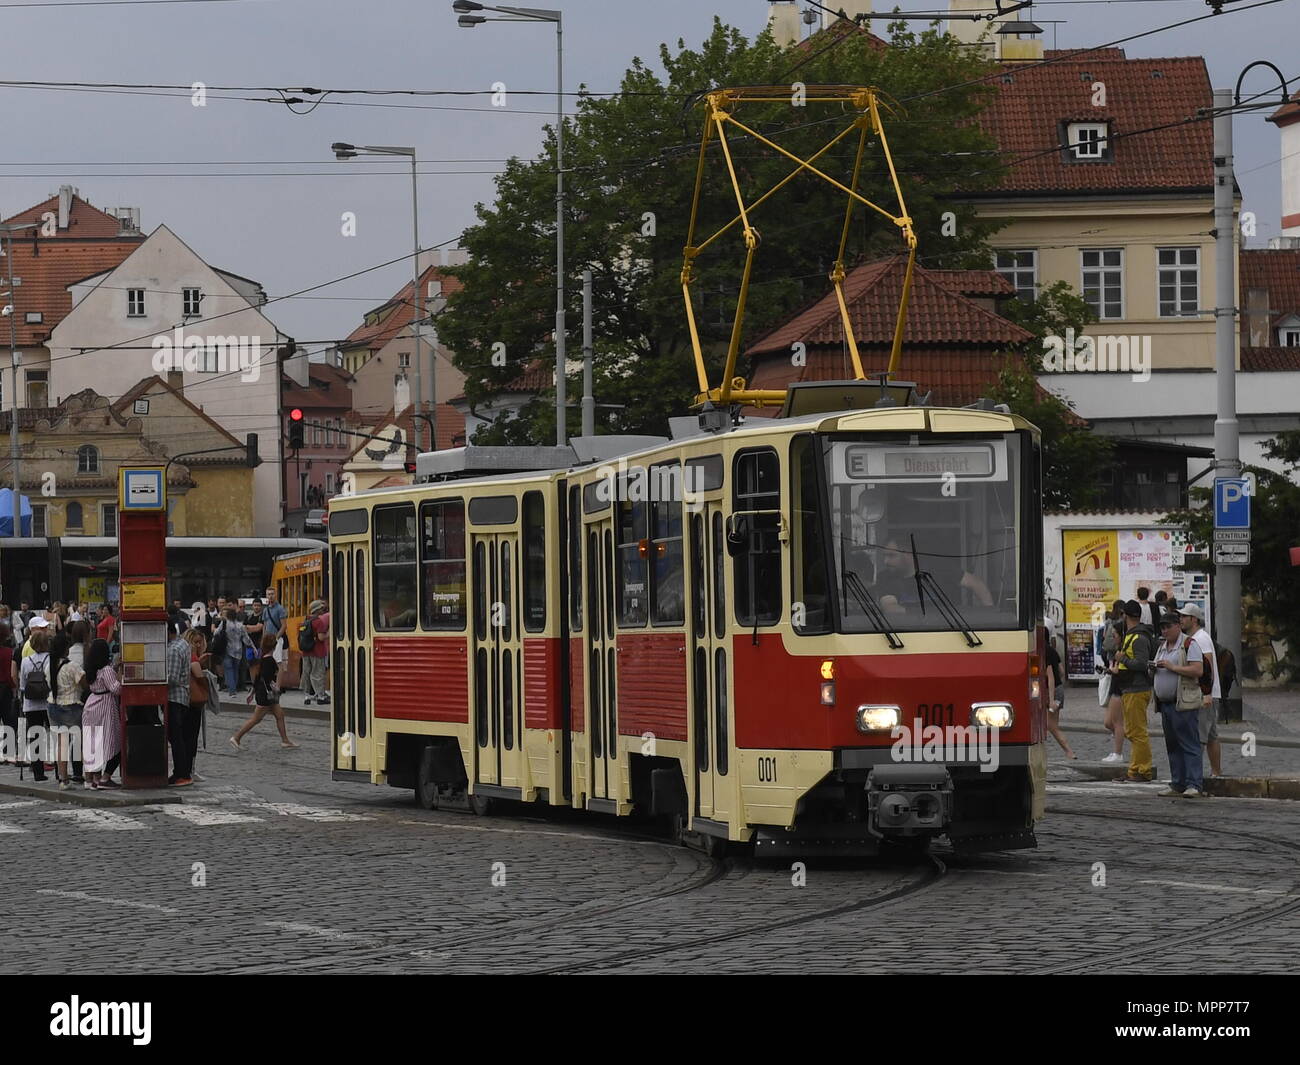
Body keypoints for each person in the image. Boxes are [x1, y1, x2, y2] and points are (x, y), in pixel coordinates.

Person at [1152, 612, 1206, 798]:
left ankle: (1194, 784)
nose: (1165, 630)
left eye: (1168, 627)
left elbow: (1198, 670)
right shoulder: (1163, 647)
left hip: (1183, 702)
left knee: (1189, 743)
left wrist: (1172, 667)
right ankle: (1178, 783)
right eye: (1162, 627)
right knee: (1173, 745)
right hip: (1166, 703)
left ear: (1177, 626)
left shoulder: (1189, 644)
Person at [873, 538, 993, 617]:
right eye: (885, 556)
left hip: (950, 632)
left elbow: (976, 584)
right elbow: (890, 609)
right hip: (907, 636)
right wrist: (931, 615)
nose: (885, 561)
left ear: (908, 553)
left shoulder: (938, 567)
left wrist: (990, 616)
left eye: (891, 556)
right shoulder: (885, 577)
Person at [1108, 599, 1156, 782]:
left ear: (1125, 615)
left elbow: (1141, 664)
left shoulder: (1138, 637)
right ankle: (1134, 769)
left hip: (1137, 689)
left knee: (1138, 732)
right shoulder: (1133, 635)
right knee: (1133, 731)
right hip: (1130, 688)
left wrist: (1122, 659)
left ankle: (1143, 770)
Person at [229, 633, 297, 749]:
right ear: (274, 647)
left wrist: (252, 692)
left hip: (264, 693)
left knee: (279, 715)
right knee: (256, 719)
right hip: (266, 695)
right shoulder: (270, 660)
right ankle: (236, 737)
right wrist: (275, 687)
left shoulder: (263, 658)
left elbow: (258, 677)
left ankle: (285, 741)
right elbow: (266, 678)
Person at [1178, 604, 1223, 780]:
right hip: (1210, 693)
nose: (1180, 619)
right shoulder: (1196, 637)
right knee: (1211, 736)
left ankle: (1193, 778)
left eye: (1184, 616)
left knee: (1200, 736)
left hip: (1206, 693)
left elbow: (1208, 666)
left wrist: (1207, 693)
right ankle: (1216, 773)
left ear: (1194, 619)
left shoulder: (1200, 638)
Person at [80, 639, 122, 789]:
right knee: (114, 742)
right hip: (105, 705)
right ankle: (106, 777)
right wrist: (122, 677)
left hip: (91, 704)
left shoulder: (90, 669)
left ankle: (94, 778)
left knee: (93, 743)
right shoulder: (106, 670)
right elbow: (116, 689)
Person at [49, 631, 86, 789]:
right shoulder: (72, 666)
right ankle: (89, 776)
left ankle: (63, 779)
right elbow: (84, 684)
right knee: (80, 743)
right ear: (66, 648)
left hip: (53, 704)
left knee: (62, 744)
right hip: (71, 706)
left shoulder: (49, 664)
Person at [17, 628, 53, 782]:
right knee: (52, 735)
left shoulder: (25, 661)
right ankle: (56, 766)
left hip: (31, 704)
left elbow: (23, 685)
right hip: (47, 702)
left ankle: (38, 771)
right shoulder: (51, 659)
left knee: (35, 737)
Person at [1100, 599, 1127, 763]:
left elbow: (1123, 669)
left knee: (1116, 722)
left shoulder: (1122, 650)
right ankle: (1122, 740)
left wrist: (1112, 670)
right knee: (1108, 722)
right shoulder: (1117, 650)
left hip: (1120, 687)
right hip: (1115, 685)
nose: (1113, 638)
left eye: (1115, 635)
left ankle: (1118, 753)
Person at [1043, 622, 1075, 759]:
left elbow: (1049, 677)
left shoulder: (1043, 651)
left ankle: (1069, 751)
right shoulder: (1052, 650)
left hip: (1052, 691)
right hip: (1059, 688)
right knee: (1051, 724)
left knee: (1051, 725)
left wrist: (1050, 700)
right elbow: (1061, 671)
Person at [182, 627, 210, 781]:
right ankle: (189, 770)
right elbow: (199, 675)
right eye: (195, 642)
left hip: (186, 701)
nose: (199, 645)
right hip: (192, 702)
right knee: (191, 736)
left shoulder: (187, 655)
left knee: (188, 736)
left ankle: (187, 769)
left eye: (200, 642)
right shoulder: (192, 658)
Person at [299, 599, 330, 704]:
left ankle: (307, 696)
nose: (323, 610)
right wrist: (329, 632)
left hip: (306, 652)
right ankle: (321, 697)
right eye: (321, 608)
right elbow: (321, 638)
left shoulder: (305, 621)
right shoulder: (318, 622)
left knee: (306, 673)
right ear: (318, 610)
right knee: (318, 673)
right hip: (317, 651)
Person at [217, 606, 253, 695]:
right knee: (236, 669)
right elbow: (246, 639)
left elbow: (216, 632)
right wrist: (252, 647)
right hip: (238, 650)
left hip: (227, 649)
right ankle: (235, 687)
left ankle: (232, 690)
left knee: (228, 669)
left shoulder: (224, 623)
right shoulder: (240, 625)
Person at [0, 622, 16, 765]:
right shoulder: (8, 652)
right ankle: (8, 751)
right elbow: (8, 673)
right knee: (8, 721)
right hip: (4, 689)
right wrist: (13, 687)